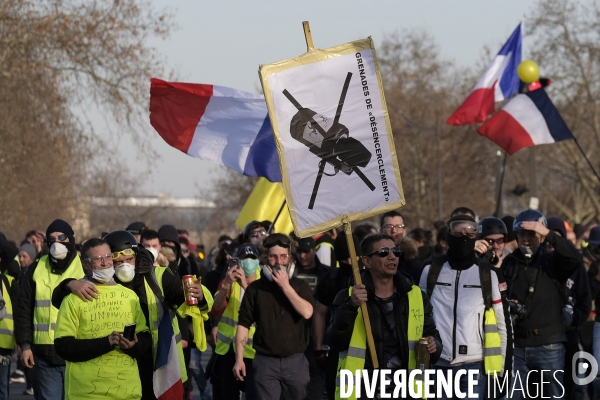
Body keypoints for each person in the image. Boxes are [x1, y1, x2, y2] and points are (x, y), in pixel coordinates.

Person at [328, 233, 442, 398]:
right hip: (364, 391)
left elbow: (432, 335)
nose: (391, 257)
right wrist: (350, 306)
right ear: (367, 261)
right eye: (383, 252)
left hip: (407, 390)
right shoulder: (348, 296)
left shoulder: (415, 295)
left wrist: (434, 345)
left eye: (395, 252)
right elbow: (335, 341)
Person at [419, 215, 507, 399]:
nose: (464, 237)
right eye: (458, 233)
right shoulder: (430, 271)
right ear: (449, 236)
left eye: (470, 233)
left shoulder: (487, 274)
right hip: (439, 364)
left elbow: (501, 324)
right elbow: (418, 316)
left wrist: (502, 368)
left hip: (474, 364)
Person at [54, 238, 151, 399]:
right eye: (98, 259)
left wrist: (134, 344)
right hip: (86, 394)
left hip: (127, 391)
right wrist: (106, 343)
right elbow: (63, 346)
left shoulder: (129, 296)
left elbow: (145, 339)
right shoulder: (73, 299)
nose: (105, 263)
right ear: (86, 265)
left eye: (108, 256)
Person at [501, 210, 582, 399]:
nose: (527, 240)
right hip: (518, 345)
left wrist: (547, 233)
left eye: (532, 235)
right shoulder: (510, 263)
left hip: (548, 345)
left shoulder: (552, 260)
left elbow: (574, 258)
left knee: (552, 395)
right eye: (522, 235)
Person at [233, 233, 313, 400]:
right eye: (273, 257)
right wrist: (239, 359)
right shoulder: (254, 290)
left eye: (283, 257)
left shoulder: (300, 286)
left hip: (296, 361)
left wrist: (286, 287)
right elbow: (243, 325)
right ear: (265, 258)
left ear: (290, 258)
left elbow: (307, 312)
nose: (279, 262)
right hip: (265, 362)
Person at [15, 219, 84, 400]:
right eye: (51, 239)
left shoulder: (85, 267)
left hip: (77, 354)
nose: (57, 243)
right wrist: (25, 345)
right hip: (45, 355)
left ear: (70, 239)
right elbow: (23, 308)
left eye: (62, 237)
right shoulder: (36, 268)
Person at [547, 217, 591, 399]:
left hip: (568, 337)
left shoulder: (576, 266)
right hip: (544, 340)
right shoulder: (540, 263)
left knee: (568, 389)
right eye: (548, 237)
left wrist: (574, 320)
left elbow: (585, 301)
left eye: (556, 238)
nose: (552, 243)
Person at [211, 243, 261, 400]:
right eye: (244, 258)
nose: (248, 262)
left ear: (258, 261)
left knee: (254, 395)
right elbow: (216, 309)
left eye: (252, 258)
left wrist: (245, 285)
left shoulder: (264, 281)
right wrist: (226, 284)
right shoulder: (229, 281)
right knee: (228, 395)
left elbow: (262, 310)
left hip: (253, 351)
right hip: (228, 350)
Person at [314, 233, 360, 399]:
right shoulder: (330, 280)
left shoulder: (368, 278)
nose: (350, 263)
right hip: (336, 349)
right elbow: (319, 314)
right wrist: (319, 348)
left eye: (353, 258)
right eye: (345, 259)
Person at [0, 234, 20, 399]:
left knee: (2, 387)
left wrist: (20, 341)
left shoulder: (7, 280)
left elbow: (11, 250)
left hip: (3, 344)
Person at [380, 210, 421, 283]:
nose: (394, 230)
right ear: (381, 230)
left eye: (399, 226)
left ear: (404, 231)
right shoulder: (373, 257)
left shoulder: (414, 259)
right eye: (389, 226)